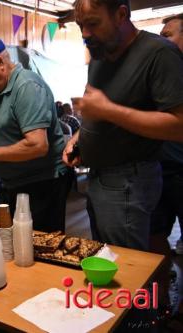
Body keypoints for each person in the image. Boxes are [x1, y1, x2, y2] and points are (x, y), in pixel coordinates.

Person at [63, 1, 183, 251]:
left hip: (129, 180)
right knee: (106, 259)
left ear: (120, 15)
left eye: (93, 23)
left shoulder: (159, 53)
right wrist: (78, 137)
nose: (85, 33)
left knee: (126, 268)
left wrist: (109, 111)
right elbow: (96, 109)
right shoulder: (101, 52)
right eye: (80, 25)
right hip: (99, 177)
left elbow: (179, 125)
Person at [0, 36, 73, 232]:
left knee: (39, 250)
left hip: (41, 185)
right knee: (20, 247)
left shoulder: (26, 86)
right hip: (17, 184)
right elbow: (7, 137)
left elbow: (38, 145)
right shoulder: (1, 90)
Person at [151, 13, 183, 255]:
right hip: (158, 169)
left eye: (167, 35)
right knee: (154, 233)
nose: (161, 41)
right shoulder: (159, 73)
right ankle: (159, 287)